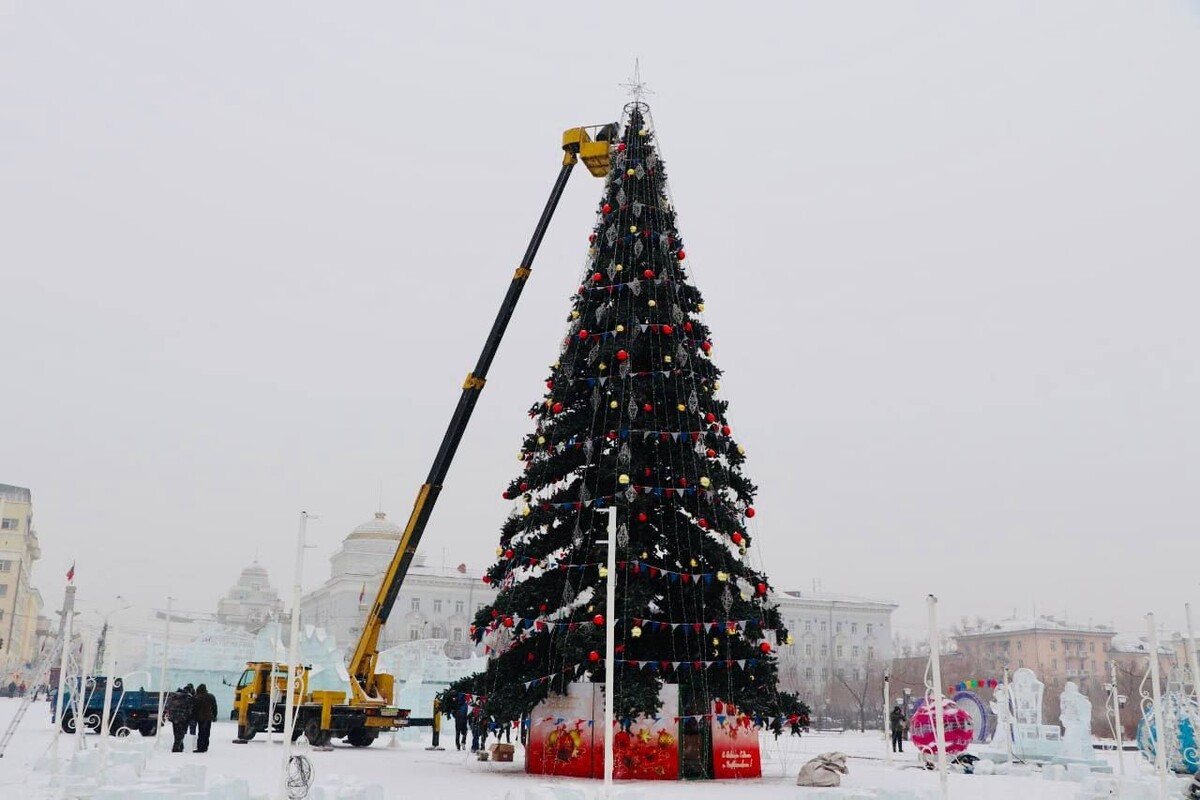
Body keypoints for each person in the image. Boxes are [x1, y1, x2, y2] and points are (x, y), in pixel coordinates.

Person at [165, 685, 195, 753]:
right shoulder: (187, 697)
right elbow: (190, 708)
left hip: (174, 717)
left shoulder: (174, 695)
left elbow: (168, 705)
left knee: (176, 732)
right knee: (182, 732)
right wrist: (189, 716)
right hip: (183, 718)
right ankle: (176, 748)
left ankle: (180, 746)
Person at [192, 684, 218, 753]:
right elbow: (214, 707)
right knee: (207, 732)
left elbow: (195, 709)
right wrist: (214, 716)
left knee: (201, 732)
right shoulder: (211, 696)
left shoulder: (197, 697)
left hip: (201, 718)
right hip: (208, 717)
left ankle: (200, 747)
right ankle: (205, 746)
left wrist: (194, 717)